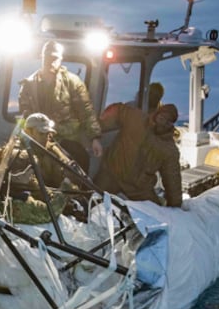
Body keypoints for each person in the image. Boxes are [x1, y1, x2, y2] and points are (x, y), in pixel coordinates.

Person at [18, 40, 103, 171]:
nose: (51, 61)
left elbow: (86, 111)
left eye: (55, 58)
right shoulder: (28, 85)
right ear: (42, 57)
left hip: (66, 139)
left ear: (61, 58)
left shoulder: (73, 82)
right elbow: (25, 116)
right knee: (22, 164)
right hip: (38, 140)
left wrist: (94, 138)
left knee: (80, 161)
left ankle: (80, 190)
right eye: (48, 57)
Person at [98, 104, 183, 207]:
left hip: (138, 188)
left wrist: (175, 204)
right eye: (162, 117)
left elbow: (173, 179)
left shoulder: (169, 150)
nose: (163, 122)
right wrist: (99, 127)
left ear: (171, 124)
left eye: (168, 121)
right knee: (90, 198)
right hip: (112, 174)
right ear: (156, 115)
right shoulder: (136, 118)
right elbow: (118, 109)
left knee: (156, 215)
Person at [94, 82, 164, 194]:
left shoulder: (136, 111)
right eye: (152, 94)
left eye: (156, 95)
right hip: (122, 168)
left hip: (125, 170)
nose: (154, 97)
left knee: (100, 191)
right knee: (99, 191)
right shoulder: (134, 109)